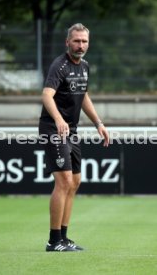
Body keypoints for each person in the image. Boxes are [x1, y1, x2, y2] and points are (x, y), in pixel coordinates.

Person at [39, 23, 109, 252]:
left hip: (72, 131)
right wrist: (58, 119)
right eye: (76, 41)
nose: (81, 45)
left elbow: (83, 95)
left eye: (84, 41)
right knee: (64, 181)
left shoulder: (85, 66)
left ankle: (64, 238)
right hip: (53, 130)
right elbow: (47, 95)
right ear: (67, 42)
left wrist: (98, 122)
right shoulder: (59, 65)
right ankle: (53, 240)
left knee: (75, 182)